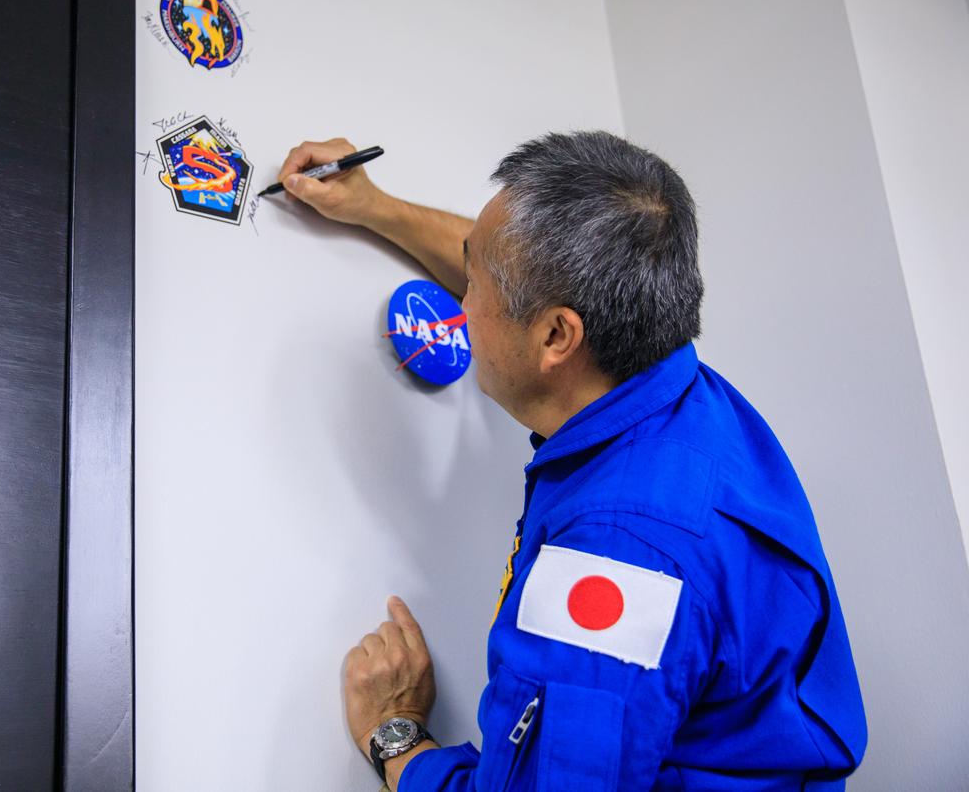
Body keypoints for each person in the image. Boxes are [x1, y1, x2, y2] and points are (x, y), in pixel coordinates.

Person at [275, 132, 867, 791]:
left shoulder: (618, 554)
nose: (459, 304)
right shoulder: (661, 365)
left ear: (557, 335)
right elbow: (514, 273)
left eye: (474, 287)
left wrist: (397, 736)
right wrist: (375, 207)